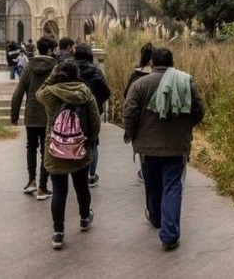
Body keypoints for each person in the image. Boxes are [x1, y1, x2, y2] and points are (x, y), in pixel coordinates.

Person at [123, 47, 205, 252]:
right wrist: (185, 125)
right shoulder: (185, 81)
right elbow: (199, 110)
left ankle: (156, 218)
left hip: (148, 146)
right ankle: (169, 235)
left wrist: (132, 134)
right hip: (177, 145)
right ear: (173, 62)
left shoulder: (139, 84)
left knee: (152, 184)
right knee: (172, 186)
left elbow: (130, 113)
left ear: (152, 63)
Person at [36, 60, 101, 250]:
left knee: (59, 190)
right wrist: (88, 141)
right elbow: (95, 121)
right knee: (81, 186)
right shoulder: (85, 92)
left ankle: (58, 232)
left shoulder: (50, 93)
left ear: (58, 74)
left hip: (55, 149)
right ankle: (83, 218)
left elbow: (38, 92)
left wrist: (51, 75)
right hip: (79, 149)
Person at [10, 36, 58, 200]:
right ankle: (43, 187)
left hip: (31, 114)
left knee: (31, 147)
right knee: (46, 150)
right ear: (50, 50)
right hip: (49, 115)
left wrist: (14, 115)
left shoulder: (29, 67)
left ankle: (31, 181)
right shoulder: (55, 68)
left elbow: (18, 92)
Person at [73, 43, 111, 187]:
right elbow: (106, 92)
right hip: (92, 111)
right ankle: (91, 175)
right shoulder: (95, 71)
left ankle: (76, 172)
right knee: (93, 142)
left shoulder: (70, 70)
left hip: (73, 110)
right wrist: (97, 101)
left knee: (74, 139)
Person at [124, 42, 154, 182]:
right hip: (157, 117)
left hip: (140, 119)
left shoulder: (136, 76)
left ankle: (145, 170)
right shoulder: (163, 76)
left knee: (143, 148)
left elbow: (127, 96)